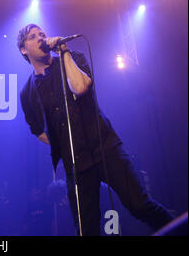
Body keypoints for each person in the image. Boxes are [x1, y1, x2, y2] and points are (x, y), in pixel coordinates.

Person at [17, 24, 173, 235]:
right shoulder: (27, 92)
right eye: (33, 37)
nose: (41, 38)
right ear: (23, 50)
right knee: (85, 229)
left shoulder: (73, 59)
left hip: (105, 149)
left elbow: (80, 87)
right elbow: (38, 131)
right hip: (76, 166)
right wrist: (61, 142)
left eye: (42, 34)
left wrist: (63, 51)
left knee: (140, 206)